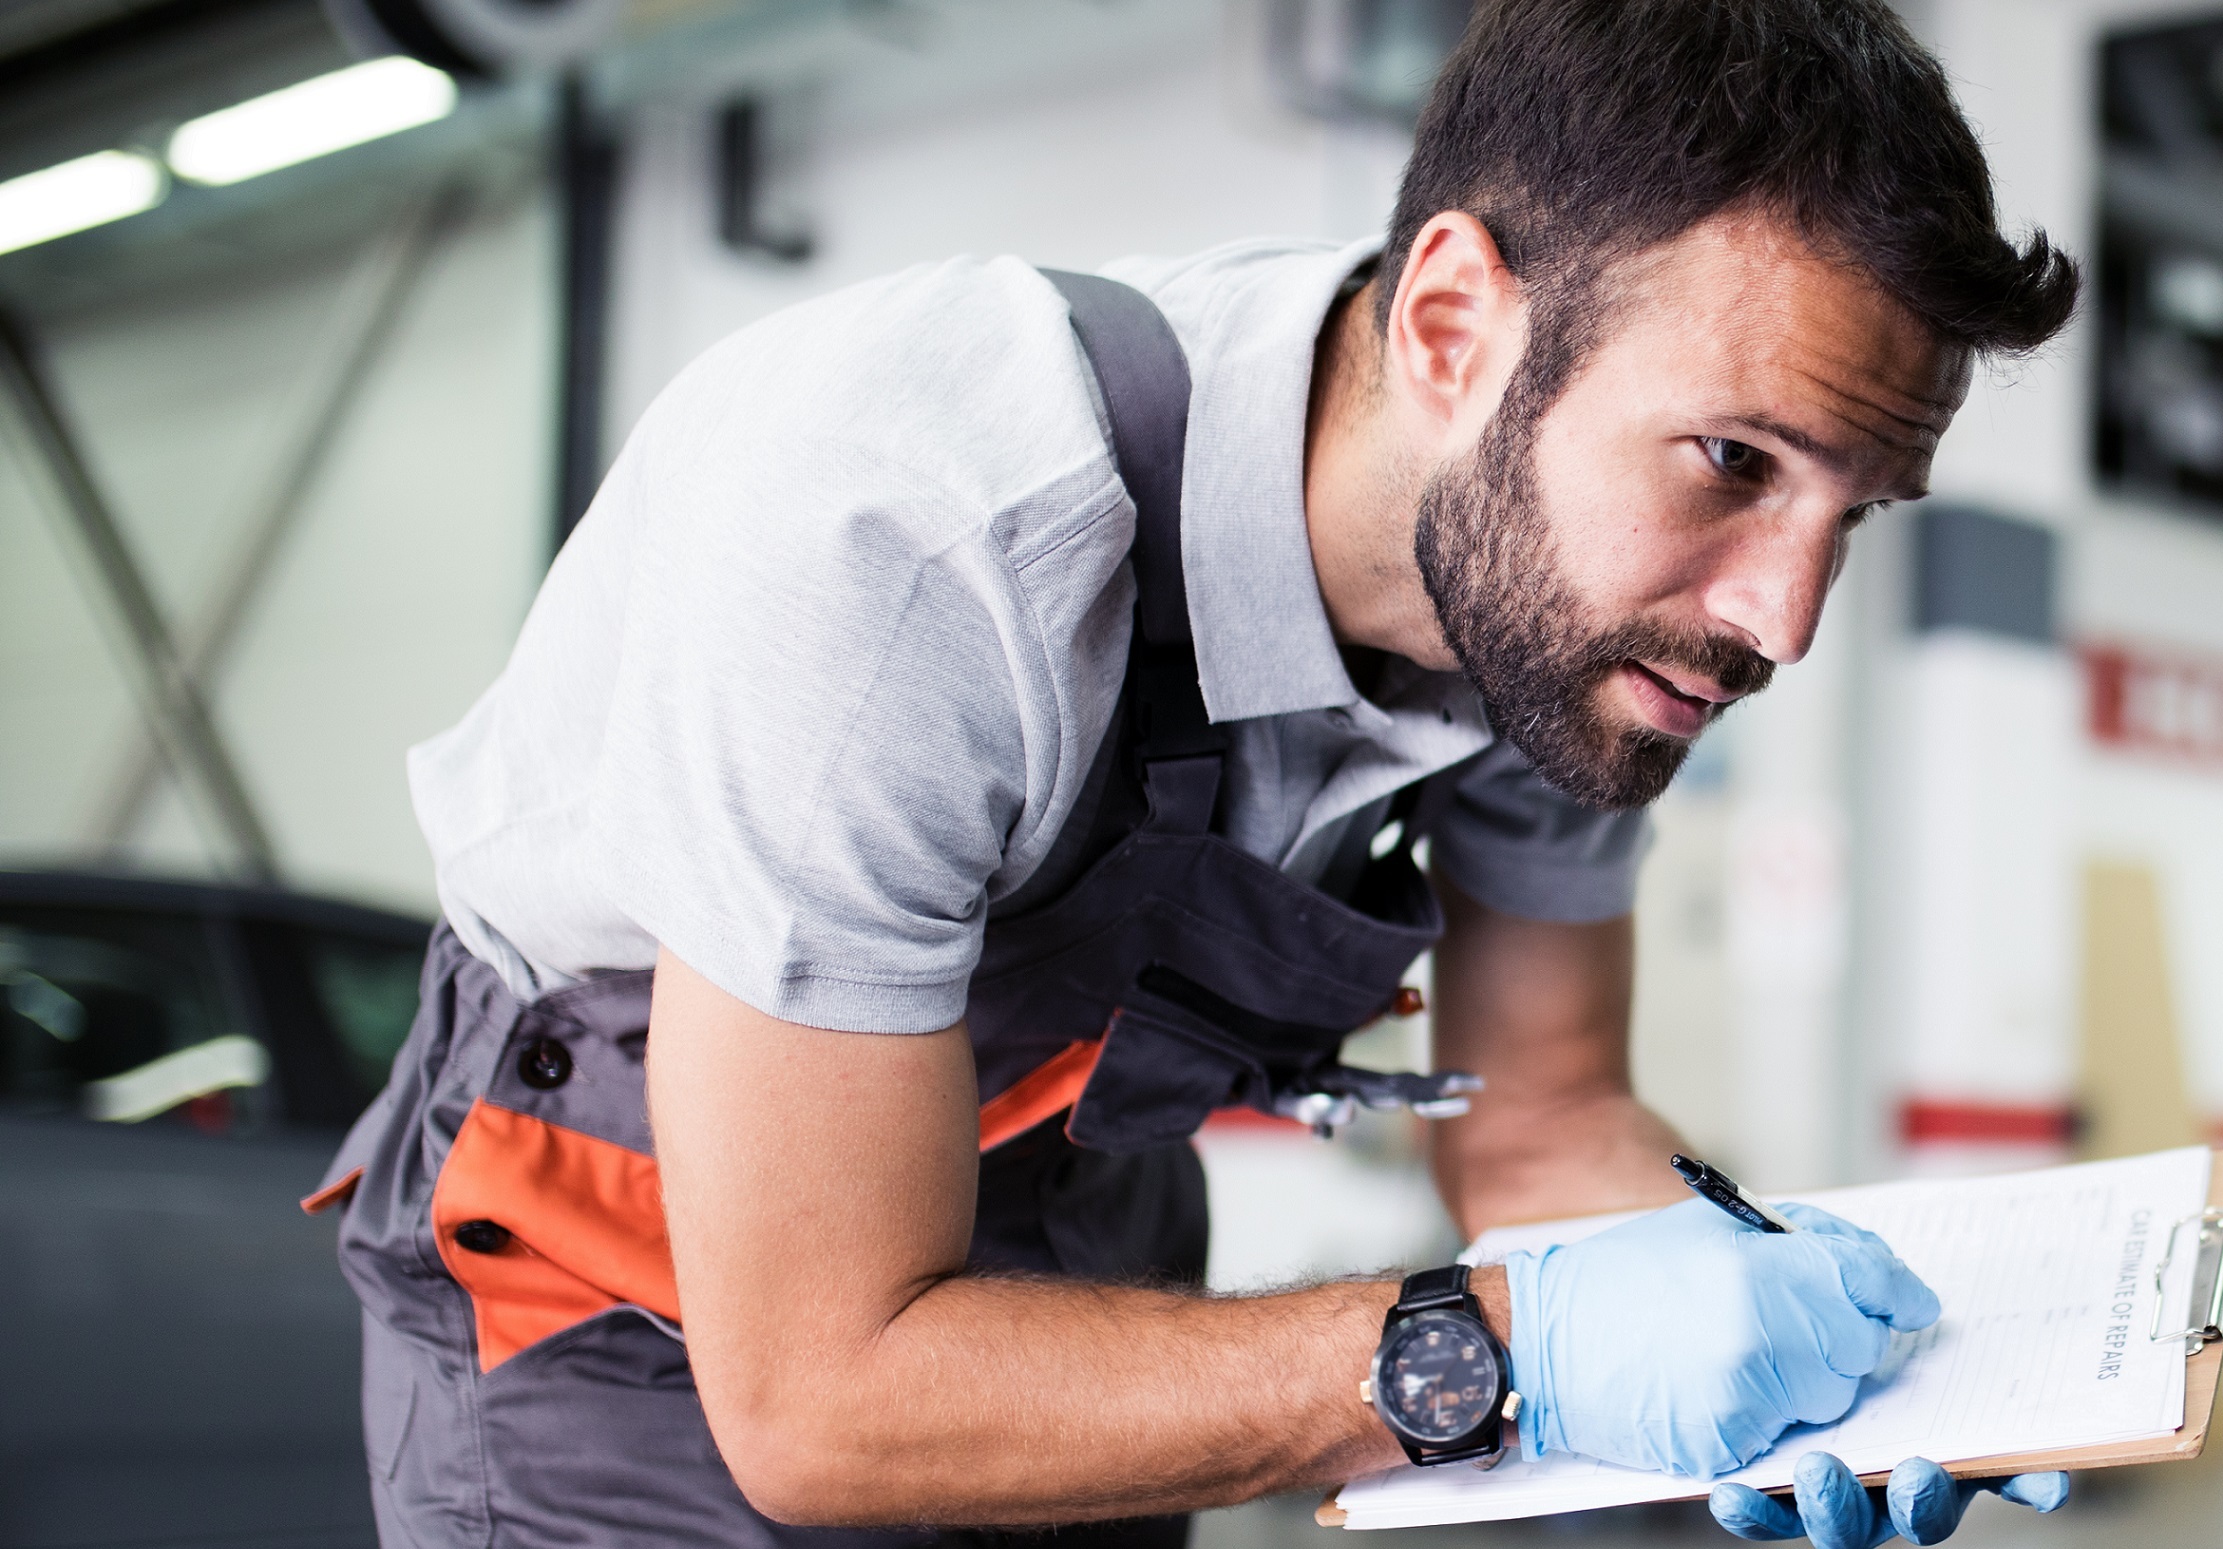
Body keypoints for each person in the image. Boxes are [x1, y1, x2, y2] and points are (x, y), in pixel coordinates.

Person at [302, 2, 2082, 1545]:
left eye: (1851, 510)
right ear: (1456, 328)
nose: (1780, 616)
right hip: (644, 1275)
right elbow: (821, 1396)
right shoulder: (904, 538)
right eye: (1731, 457)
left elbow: (1543, 1119)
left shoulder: (1586, 625)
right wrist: (1507, 1345)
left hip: (1085, 1208)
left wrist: (1799, 1356)